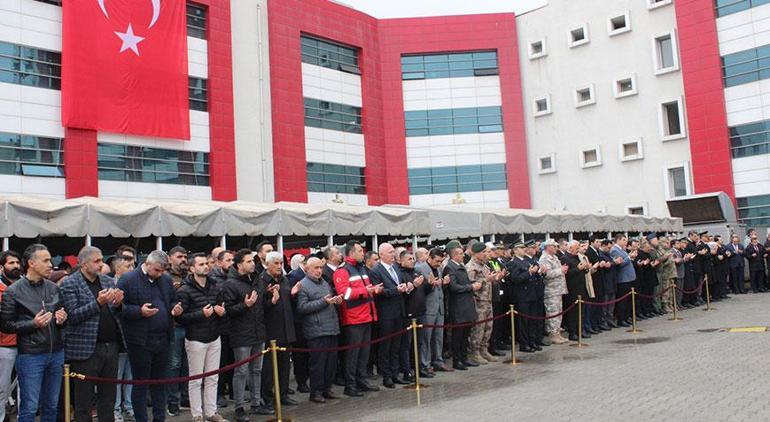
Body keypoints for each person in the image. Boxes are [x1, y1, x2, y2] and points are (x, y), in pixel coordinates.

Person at [0, 244, 67, 422]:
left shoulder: (53, 287)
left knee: (52, 405)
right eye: (45, 260)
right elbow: (5, 325)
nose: (50, 264)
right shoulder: (13, 292)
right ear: (31, 263)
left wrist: (62, 318)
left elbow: (61, 312)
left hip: (56, 353)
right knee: (29, 407)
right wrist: (33, 324)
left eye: (50, 260)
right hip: (31, 356)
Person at [60, 246, 126, 422]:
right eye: (96, 261)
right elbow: (73, 315)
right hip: (85, 349)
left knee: (108, 397)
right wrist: (98, 302)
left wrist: (118, 304)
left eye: (101, 260)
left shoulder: (107, 281)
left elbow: (115, 312)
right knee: (84, 399)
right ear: (83, 263)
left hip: (110, 346)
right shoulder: (70, 283)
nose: (101, 264)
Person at [118, 250, 183, 422]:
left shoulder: (166, 280)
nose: (159, 274)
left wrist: (176, 308)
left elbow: (173, 300)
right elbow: (117, 308)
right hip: (140, 340)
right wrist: (139, 311)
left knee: (160, 382)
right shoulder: (128, 279)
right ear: (147, 264)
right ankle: (141, 419)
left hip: (163, 338)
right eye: (156, 270)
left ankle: (159, 418)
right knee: (141, 383)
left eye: (162, 271)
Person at [220, 248, 272, 421]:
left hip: (258, 331)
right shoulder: (230, 284)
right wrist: (245, 305)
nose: (252, 264)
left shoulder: (257, 279)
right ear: (239, 264)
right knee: (241, 371)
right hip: (241, 333)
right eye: (249, 261)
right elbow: (228, 310)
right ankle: (240, 406)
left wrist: (271, 299)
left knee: (257, 370)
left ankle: (256, 403)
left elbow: (261, 304)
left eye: (253, 261)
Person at [176, 253, 228, 422]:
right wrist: (201, 314)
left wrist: (221, 312)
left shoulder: (215, 286)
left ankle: (211, 412)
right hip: (196, 338)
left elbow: (222, 308)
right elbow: (180, 318)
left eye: (206, 263)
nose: (205, 266)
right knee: (196, 379)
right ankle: (197, 415)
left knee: (213, 377)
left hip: (214, 336)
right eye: (201, 264)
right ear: (192, 268)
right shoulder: (184, 290)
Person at [333, 240, 382, 397]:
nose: (363, 253)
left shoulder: (361, 269)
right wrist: (365, 291)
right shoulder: (342, 271)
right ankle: (350, 384)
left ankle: (362, 380)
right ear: (351, 253)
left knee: (364, 353)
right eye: (360, 251)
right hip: (353, 319)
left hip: (366, 315)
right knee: (353, 354)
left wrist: (373, 290)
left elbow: (363, 290)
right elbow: (344, 293)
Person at [296, 257, 343, 403]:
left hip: (331, 327)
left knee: (331, 362)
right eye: (315, 268)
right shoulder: (302, 285)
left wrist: (336, 301)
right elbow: (302, 307)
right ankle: (315, 392)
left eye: (320, 268)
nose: (319, 271)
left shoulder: (324, 283)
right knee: (318, 364)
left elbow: (329, 301)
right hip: (316, 330)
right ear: (307, 269)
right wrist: (323, 302)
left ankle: (327, 388)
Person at [369, 243, 410, 388]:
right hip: (386, 313)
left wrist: (407, 287)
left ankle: (395, 373)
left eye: (394, 252)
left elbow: (401, 285)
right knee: (385, 346)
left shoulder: (396, 269)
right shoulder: (376, 271)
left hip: (399, 311)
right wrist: (395, 290)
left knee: (396, 345)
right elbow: (379, 292)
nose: (393, 254)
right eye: (391, 252)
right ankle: (386, 376)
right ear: (382, 254)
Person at [259, 252, 293, 409]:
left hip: (286, 328)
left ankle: (283, 394)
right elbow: (259, 308)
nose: (280, 266)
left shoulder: (285, 280)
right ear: (268, 264)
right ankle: (267, 397)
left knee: (285, 366)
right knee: (268, 369)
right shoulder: (262, 281)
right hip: (270, 331)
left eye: (281, 263)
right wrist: (271, 301)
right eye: (276, 264)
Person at [415, 248, 452, 375]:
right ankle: (425, 363)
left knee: (438, 337)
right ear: (430, 257)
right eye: (437, 261)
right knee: (426, 338)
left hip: (439, 307)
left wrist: (443, 283)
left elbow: (440, 284)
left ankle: (438, 361)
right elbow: (421, 290)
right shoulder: (420, 268)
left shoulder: (440, 269)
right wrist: (431, 284)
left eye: (441, 261)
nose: (439, 263)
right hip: (428, 308)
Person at [466, 242, 503, 364]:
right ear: (476, 254)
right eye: (484, 252)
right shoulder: (471, 267)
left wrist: (495, 279)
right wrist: (486, 279)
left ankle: (484, 349)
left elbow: (488, 281)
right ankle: (474, 352)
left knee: (488, 327)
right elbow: (471, 285)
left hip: (488, 300)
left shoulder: (485, 266)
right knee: (478, 328)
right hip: (478, 301)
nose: (486, 255)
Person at [445, 245, 481, 370]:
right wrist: (470, 287)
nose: (463, 255)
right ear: (454, 255)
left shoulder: (461, 266)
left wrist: (472, 284)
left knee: (465, 334)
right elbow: (453, 287)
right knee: (458, 335)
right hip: (458, 306)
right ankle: (457, 360)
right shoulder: (450, 267)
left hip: (466, 304)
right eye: (460, 253)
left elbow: (464, 283)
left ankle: (464, 358)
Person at [111, 254, 136, 422]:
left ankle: (129, 406)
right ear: (117, 268)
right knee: (118, 377)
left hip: (133, 337)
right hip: (117, 339)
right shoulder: (110, 286)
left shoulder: (135, 285)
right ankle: (116, 408)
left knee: (130, 377)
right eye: (128, 266)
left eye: (133, 266)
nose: (131, 270)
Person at [166, 246, 190, 416]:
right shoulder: (165, 277)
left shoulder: (189, 276)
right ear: (170, 258)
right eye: (179, 256)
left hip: (189, 324)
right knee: (174, 364)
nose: (183, 259)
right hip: (173, 326)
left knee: (187, 365)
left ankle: (185, 397)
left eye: (185, 256)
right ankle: (172, 400)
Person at [508, 242, 542, 353]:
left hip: (532, 294)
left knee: (532, 320)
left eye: (524, 248)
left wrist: (538, 272)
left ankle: (532, 341)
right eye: (521, 248)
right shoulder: (513, 263)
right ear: (515, 250)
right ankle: (524, 343)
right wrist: (529, 273)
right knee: (524, 321)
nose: (524, 250)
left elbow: (534, 276)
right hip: (523, 295)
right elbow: (515, 279)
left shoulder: (526, 261)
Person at [0, 250, 20, 422]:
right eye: (11, 263)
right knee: (2, 388)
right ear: (2, 267)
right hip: (4, 344)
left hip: (26, 343)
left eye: (17, 262)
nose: (15, 266)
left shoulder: (24, 286)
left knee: (25, 387)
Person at [539, 239, 569, 344]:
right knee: (552, 313)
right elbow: (547, 274)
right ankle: (552, 334)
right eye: (554, 246)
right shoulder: (544, 259)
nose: (556, 248)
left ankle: (557, 333)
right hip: (551, 290)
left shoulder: (554, 257)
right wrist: (560, 270)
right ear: (548, 247)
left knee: (559, 312)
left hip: (558, 289)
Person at [611, 235, 636, 327]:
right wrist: (629, 257)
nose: (626, 242)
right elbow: (620, 263)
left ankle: (625, 317)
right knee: (622, 300)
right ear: (618, 240)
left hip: (629, 277)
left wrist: (631, 258)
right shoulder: (615, 250)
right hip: (623, 278)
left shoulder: (622, 250)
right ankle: (621, 319)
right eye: (623, 240)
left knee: (627, 300)